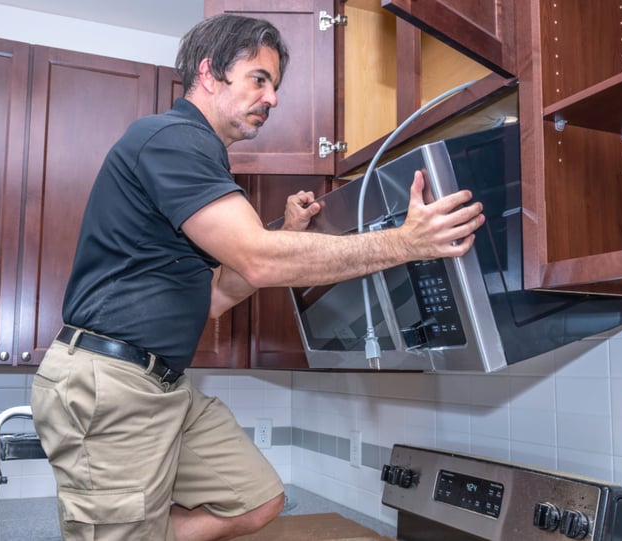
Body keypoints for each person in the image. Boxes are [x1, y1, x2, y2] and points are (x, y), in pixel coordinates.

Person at [30, 13, 485, 541]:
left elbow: (218, 295)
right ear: (209, 73)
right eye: (259, 79)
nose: (272, 98)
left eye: (276, 86)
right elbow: (258, 260)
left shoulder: (201, 159)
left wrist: (284, 231)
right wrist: (405, 243)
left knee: (255, 500)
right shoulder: (171, 139)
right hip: (109, 384)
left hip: (163, 386)